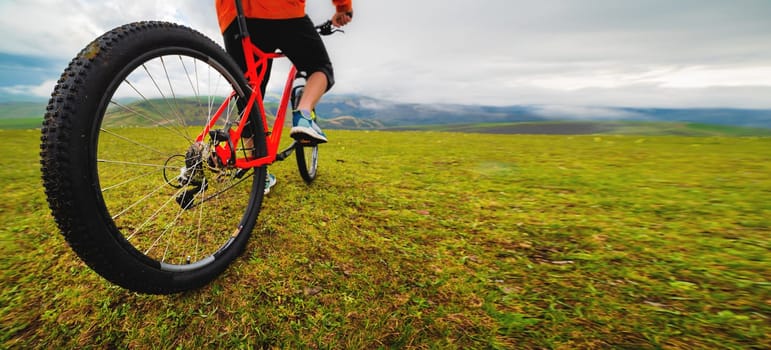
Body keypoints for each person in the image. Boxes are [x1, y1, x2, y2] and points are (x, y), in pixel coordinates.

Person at [215, 0, 352, 194]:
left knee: (248, 95)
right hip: (282, 9)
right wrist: (343, 7)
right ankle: (304, 115)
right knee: (320, 68)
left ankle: (258, 172)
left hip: (233, 13)